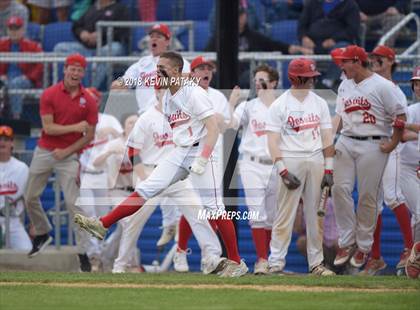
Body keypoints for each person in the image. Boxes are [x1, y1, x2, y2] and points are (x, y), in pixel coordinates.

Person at [75, 51, 248, 277]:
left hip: (204, 152)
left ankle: (236, 261)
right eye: (157, 68)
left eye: (163, 68)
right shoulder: (167, 96)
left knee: (214, 208)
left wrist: (203, 157)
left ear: (177, 70)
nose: (158, 72)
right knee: (145, 189)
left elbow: (213, 128)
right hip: (181, 151)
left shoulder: (194, 94)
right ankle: (102, 224)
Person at [110, 89, 223, 274]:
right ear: (156, 92)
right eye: (163, 89)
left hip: (177, 176)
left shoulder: (183, 114)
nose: (168, 92)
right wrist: (144, 177)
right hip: (151, 172)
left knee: (197, 213)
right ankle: (120, 265)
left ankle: (213, 257)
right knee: (133, 221)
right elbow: (131, 151)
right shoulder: (147, 117)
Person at [331, 45, 406, 269]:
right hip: (346, 139)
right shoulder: (345, 85)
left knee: (367, 196)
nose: (341, 66)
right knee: (338, 189)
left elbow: (400, 115)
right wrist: (328, 140)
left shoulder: (383, 86)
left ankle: (364, 247)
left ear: (357, 61)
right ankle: (346, 241)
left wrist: (393, 142)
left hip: (374, 142)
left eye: (345, 62)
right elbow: (340, 118)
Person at [24, 54, 99, 272]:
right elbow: (48, 128)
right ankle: (42, 232)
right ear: (64, 70)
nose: (75, 73)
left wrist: (67, 150)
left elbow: (89, 136)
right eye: (72, 69)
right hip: (45, 150)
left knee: (74, 205)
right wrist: (76, 127)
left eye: (79, 70)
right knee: (29, 196)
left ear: (83, 73)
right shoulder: (49, 94)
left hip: (69, 154)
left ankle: (83, 252)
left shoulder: (90, 100)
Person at [266, 58, 335, 276]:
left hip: (316, 160)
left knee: (316, 216)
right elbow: (272, 141)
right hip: (290, 160)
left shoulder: (320, 103)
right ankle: (275, 263)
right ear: (295, 78)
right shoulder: (279, 104)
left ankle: (316, 264)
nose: (312, 81)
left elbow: (326, 137)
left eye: (312, 77)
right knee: (284, 215)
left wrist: (329, 169)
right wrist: (282, 170)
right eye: (308, 77)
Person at [174, 56, 242, 274]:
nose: (206, 72)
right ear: (192, 72)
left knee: (211, 206)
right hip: (190, 154)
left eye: (209, 69)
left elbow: (226, 124)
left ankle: (209, 257)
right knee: (193, 204)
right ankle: (181, 249)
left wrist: (229, 105)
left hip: (213, 155)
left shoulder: (217, 96)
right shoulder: (186, 94)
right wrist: (217, 116)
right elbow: (211, 121)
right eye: (201, 68)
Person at [359, 45, 412, 276]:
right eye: (372, 58)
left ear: (391, 61)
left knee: (392, 196)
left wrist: (394, 141)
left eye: (380, 58)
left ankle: (412, 250)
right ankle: (376, 257)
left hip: (392, 147)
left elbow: (403, 125)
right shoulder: (368, 88)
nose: (375, 61)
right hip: (372, 147)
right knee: (372, 203)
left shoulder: (394, 90)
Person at [228, 64, 280, 275]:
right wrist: (232, 102)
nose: (258, 83)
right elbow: (231, 125)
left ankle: (270, 259)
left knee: (273, 216)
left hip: (276, 164)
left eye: (262, 79)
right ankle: (262, 260)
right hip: (251, 163)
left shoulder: (282, 106)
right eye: (256, 80)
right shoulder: (249, 106)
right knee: (256, 214)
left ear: (274, 82)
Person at [205, 4, 312, 88]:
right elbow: (206, 55)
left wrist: (299, 49)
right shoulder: (220, 37)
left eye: (240, 15)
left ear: (245, 16)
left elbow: (274, 45)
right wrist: (213, 66)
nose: (238, 19)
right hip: (225, 75)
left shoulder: (254, 36)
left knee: (253, 76)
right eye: (236, 16)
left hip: (247, 76)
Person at [111, 23, 190, 114]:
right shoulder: (141, 64)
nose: (154, 39)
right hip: (145, 114)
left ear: (167, 41)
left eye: (159, 36)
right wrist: (121, 85)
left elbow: (191, 80)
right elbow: (118, 84)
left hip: (171, 113)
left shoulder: (178, 61)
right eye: (151, 36)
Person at [53, 0, 130, 89]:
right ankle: (65, 87)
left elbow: (123, 31)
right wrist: (82, 33)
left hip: (108, 46)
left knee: (110, 50)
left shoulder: (121, 8)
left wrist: (101, 34)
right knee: (60, 48)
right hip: (87, 47)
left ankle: (90, 89)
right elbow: (76, 26)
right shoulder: (91, 7)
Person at [393, 67, 420, 279]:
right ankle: (415, 257)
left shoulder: (409, 117)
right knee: (419, 212)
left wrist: (412, 128)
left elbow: (406, 128)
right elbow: (400, 136)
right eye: (416, 83)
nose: (419, 87)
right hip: (409, 167)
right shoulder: (410, 109)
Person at [298, 0, 360, 89]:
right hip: (313, 44)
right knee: (298, 53)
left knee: (342, 50)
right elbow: (301, 25)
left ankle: (328, 82)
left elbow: (353, 29)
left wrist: (334, 40)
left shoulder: (350, 4)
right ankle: (305, 86)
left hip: (338, 43)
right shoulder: (312, 3)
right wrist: (304, 38)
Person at [0, 16, 43, 120]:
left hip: (26, 80)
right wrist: (1, 75)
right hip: (6, 79)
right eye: (11, 29)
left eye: (17, 28)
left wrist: (29, 77)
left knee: (16, 83)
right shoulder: (1, 44)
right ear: (7, 30)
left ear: (23, 30)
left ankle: (16, 118)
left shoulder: (33, 46)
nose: (14, 32)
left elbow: (40, 65)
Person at [0, 125, 32, 250]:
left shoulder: (22, 168)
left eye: (6, 139)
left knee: (27, 253)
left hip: (13, 222)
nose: (2, 142)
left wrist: (34, 224)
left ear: (12, 143)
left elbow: (29, 198)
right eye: (0, 139)